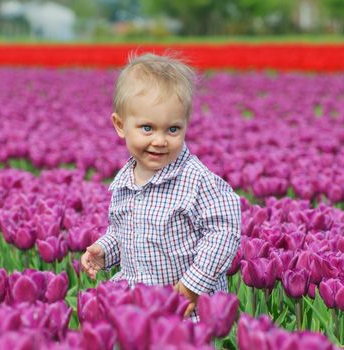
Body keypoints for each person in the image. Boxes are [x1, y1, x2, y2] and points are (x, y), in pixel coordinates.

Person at [80, 52, 241, 321]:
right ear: (120, 126)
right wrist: (105, 250)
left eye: (173, 129)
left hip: (184, 309)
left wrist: (194, 284)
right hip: (137, 308)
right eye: (147, 128)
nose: (160, 140)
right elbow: (128, 234)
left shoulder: (196, 180)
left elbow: (224, 232)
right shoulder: (124, 181)